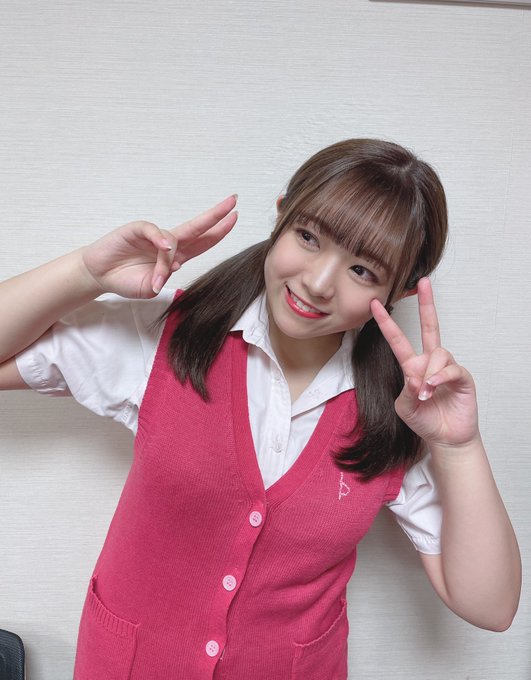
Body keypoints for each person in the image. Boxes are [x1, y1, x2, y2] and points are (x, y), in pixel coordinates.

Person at [0, 139, 521, 679]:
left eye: (363, 270)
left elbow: (491, 606)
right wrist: (84, 273)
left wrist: (459, 446)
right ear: (281, 215)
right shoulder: (168, 336)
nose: (317, 282)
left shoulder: (399, 411)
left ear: (402, 291)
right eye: (308, 237)